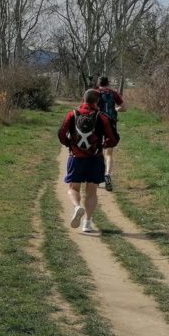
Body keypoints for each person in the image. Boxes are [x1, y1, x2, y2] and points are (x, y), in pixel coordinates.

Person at [58, 89, 118, 234]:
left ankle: (77, 206)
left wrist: (69, 145)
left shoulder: (72, 114)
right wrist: (102, 146)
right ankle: (87, 223)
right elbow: (113, 139)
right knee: (92, 192)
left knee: (73, 188)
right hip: (95, 158)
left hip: (76, 158)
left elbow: (61, 133)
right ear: (97, 102)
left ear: (83, 99)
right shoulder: (102, 117)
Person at [94, 76, 124, 191]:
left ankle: (96, 179)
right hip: (110, 124)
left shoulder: (94, 93)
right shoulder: (113, 93)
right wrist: (116, 109)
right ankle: (107, 175)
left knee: (97, 152)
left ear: (98, 83)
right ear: (108, 83)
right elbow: (124, 107)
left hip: (96, 124)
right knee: (109, 153)